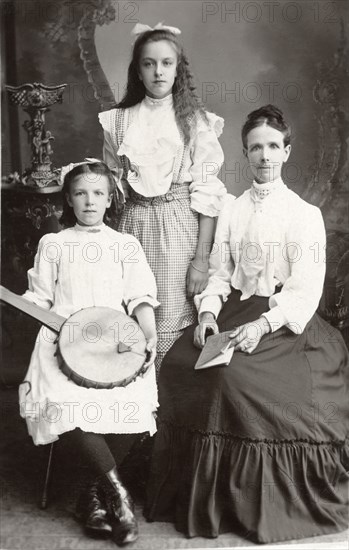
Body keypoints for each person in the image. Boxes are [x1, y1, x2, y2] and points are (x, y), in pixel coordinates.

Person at [145, 105, 349, 543]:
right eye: (255, 147)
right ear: (245, 154)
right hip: (235, 308)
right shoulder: (233, 209)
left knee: (229, 377)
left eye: (273, 146)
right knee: (179, 361)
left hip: (285, 319)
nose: (264, 156)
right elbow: (220, 272)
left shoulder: (303, 214)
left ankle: (241, 501)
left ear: (287, 151)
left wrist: (261, 326)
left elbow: (305, 291)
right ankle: (198, 492)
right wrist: (206, 313)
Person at [19, 159, 159, 546]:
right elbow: (39, 297)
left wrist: (148, 337)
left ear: (110, 198)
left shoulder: (125, 245)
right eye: (80, 193)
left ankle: (93, 497)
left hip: (115, 346)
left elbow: (140, 299)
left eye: (98, 193)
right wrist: (27, 306)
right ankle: (121, 499)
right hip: (59, 345)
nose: (89, 200)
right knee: (67, 405)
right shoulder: (54, 244)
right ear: (68, 198)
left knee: (134, 402)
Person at [98, 22, 227, 371]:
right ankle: (134, 410)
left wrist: (201, 259)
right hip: (132, 227)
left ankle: (166, 413)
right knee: (131, 313)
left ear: (178, 69)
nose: (158, 72)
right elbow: (113, 187)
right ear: (137, 70)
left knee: (171, 319)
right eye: (149, 63)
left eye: (166, 63)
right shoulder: (118, 122)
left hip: (179, 229)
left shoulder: (195, 122)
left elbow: (208, 194)